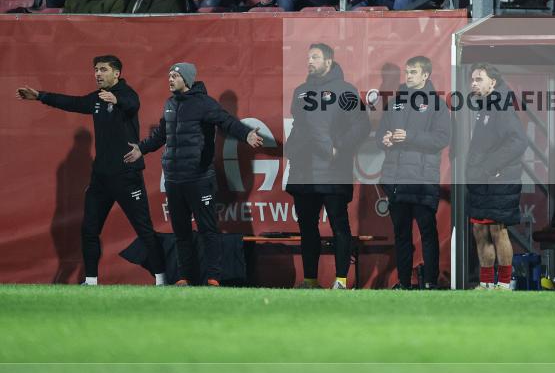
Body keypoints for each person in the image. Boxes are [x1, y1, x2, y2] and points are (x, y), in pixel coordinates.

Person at [15, 56, 166, 286]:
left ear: (116, 73)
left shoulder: (126, 94)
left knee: (144, 229)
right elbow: (72, 103)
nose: (97, 74)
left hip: (127, 175)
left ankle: (162, 280)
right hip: (101, 178)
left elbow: (132, 104)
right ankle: (91, 281)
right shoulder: (96, 98)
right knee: (89, 229)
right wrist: (40, 97)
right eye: (95, 70)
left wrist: (116, 99)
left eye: (103, 70)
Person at [124, 63, 263, 286]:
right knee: (181, 232)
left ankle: (213, 277)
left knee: (208, 229)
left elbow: (226, 121)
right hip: (173, 178)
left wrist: (246, 135)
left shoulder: (204, 103)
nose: (170, 79)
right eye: (169, 75)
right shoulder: (169, 104)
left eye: (175, 76)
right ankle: (184, 277)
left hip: (199, 178)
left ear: (187, 80)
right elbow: (161, 134)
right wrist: (142, 148)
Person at [284, 44, 371, 289]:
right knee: (307, 228)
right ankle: (310, 280)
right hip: (304, 173)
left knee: (339, 226)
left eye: (315, 57)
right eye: (308, 57)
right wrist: (291, 149)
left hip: (333, 172)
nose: (309, 61)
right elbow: (298, 127)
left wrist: (339, 148)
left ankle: (341, 280)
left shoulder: (346, 91)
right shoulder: (301, 92)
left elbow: (361, 126)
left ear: (329, 61)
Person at [377, 56, 451, 289]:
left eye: (413, 72)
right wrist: (385, 139)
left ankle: (429, 281)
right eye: (407, 72)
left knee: (427, 233)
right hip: (396, 179)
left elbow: (442, 138)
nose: (408, 76)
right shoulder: (396, 102)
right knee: (401, 235)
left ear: (425, 75)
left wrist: (410, 136)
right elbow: (381, 133)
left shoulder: (436, 104)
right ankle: (403, 282)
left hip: (422, 180)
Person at [466, 63, 527, 290]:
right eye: (472, 79)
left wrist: (491, 166)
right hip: (482, 180)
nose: (473, 83)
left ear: (493, 82)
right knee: (479, 229)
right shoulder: (485, 106)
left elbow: (518, 141)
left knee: (497, 230)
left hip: (499, 180)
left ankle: (503, 283)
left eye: (479, 79)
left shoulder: (501, 105)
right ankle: (485, 283)